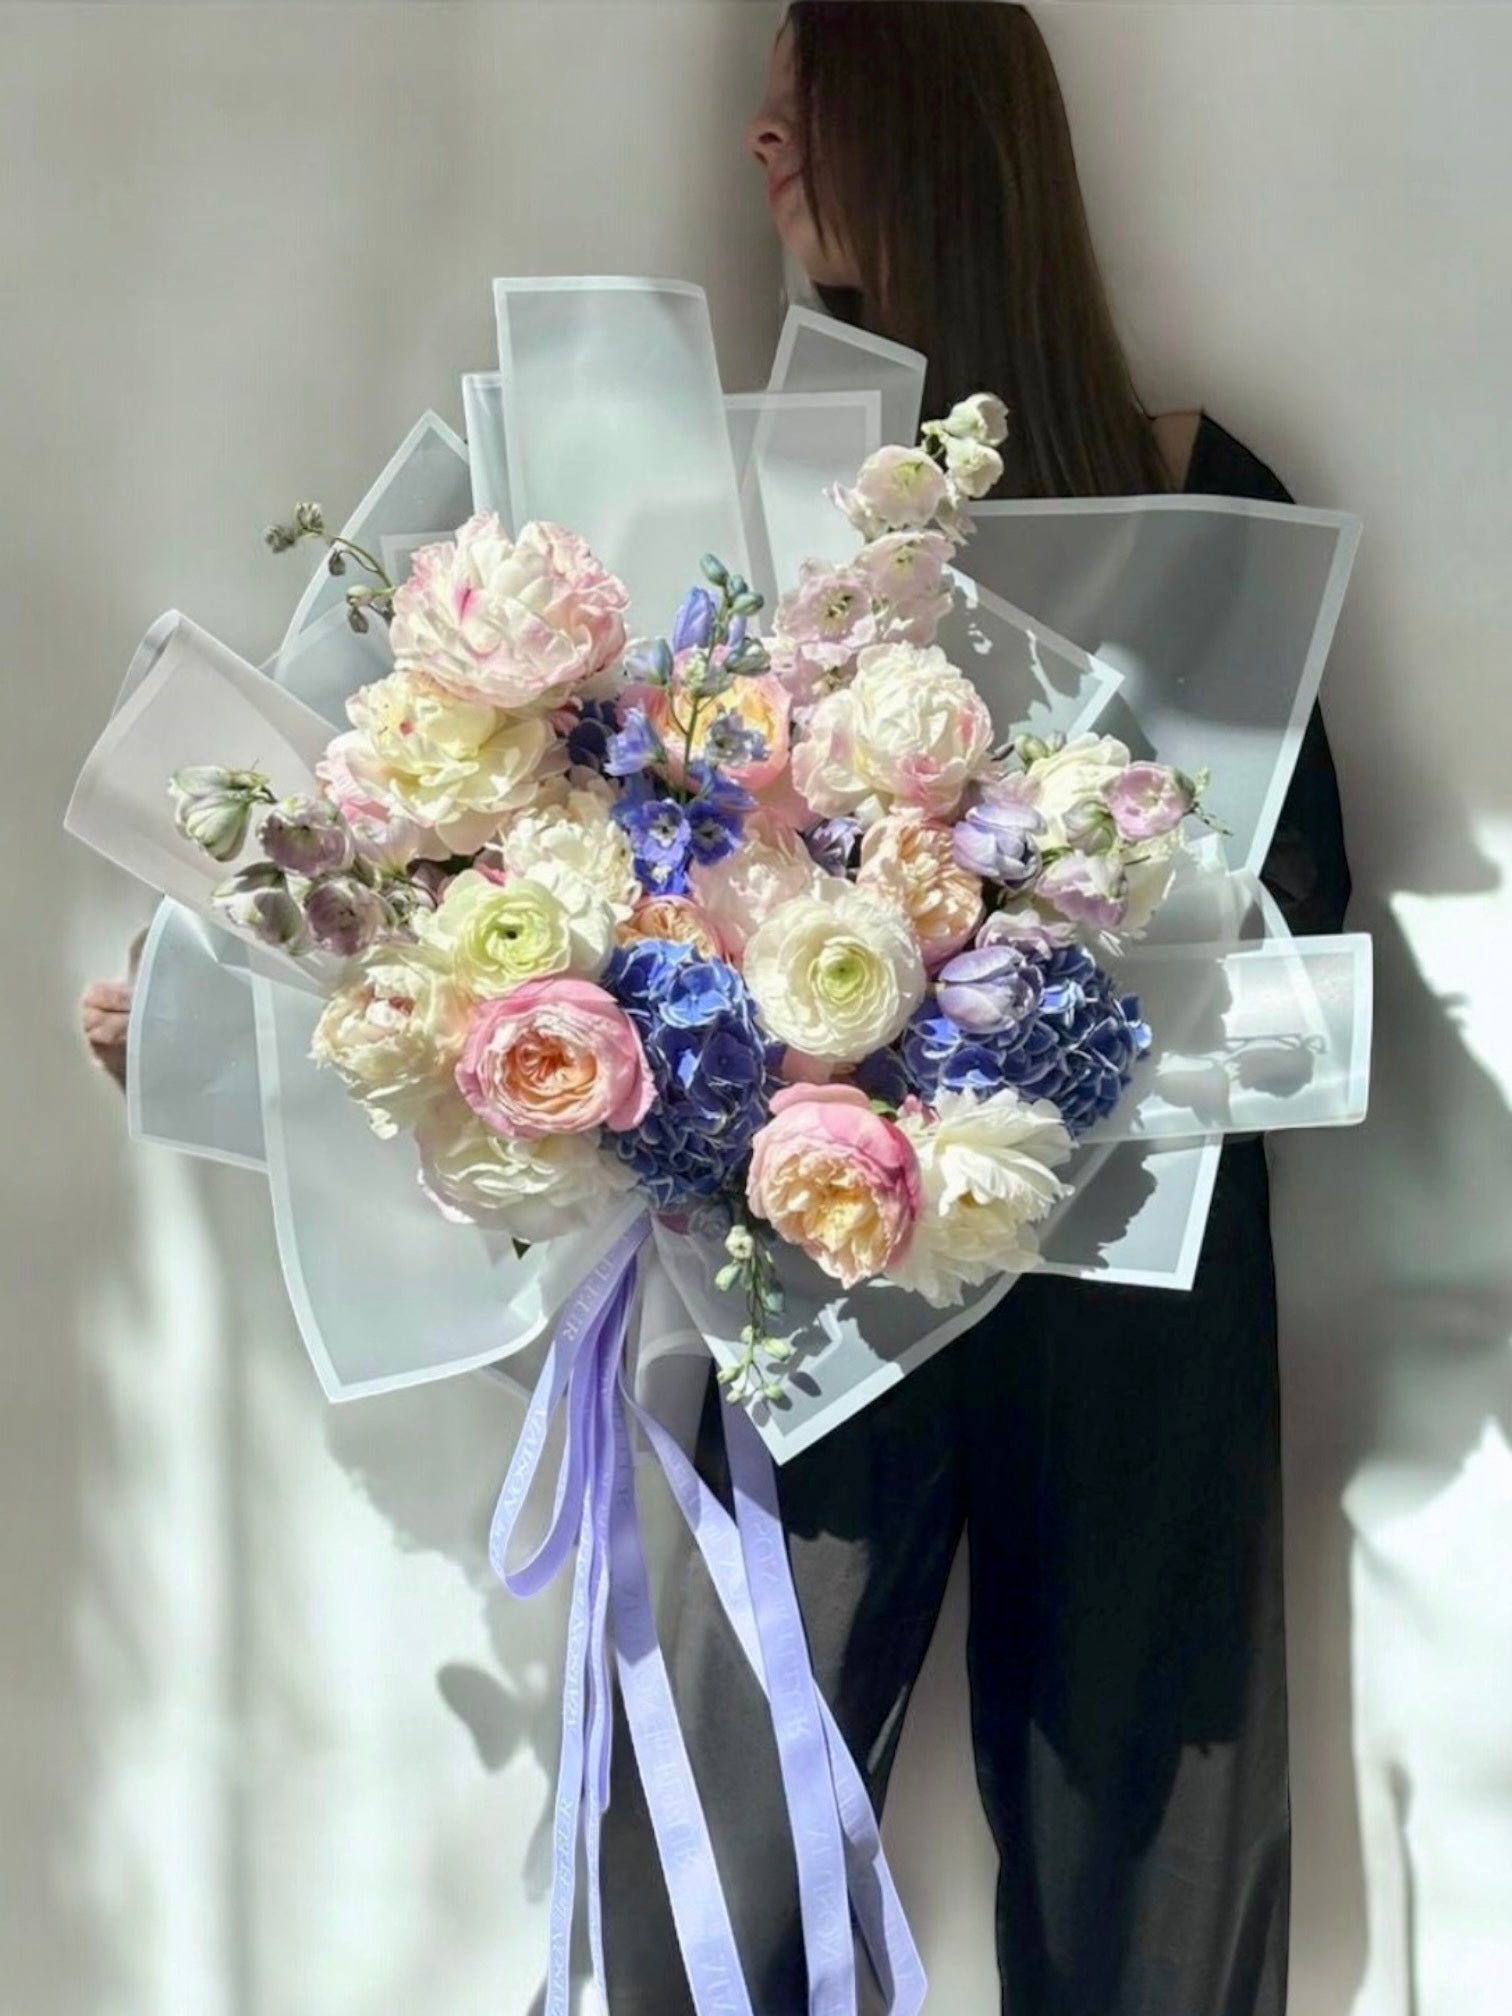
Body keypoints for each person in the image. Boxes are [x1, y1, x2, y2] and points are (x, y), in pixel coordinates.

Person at [596, 9, 1349, 2016]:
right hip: (809, 1246)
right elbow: (589, 893)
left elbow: (1303, 933)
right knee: (697, 1875)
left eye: (807, 96)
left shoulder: (1209, 507)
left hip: (1128, 1269)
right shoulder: (742, 521)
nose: (765, 139)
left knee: (1155, 1898)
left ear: (928, 137)